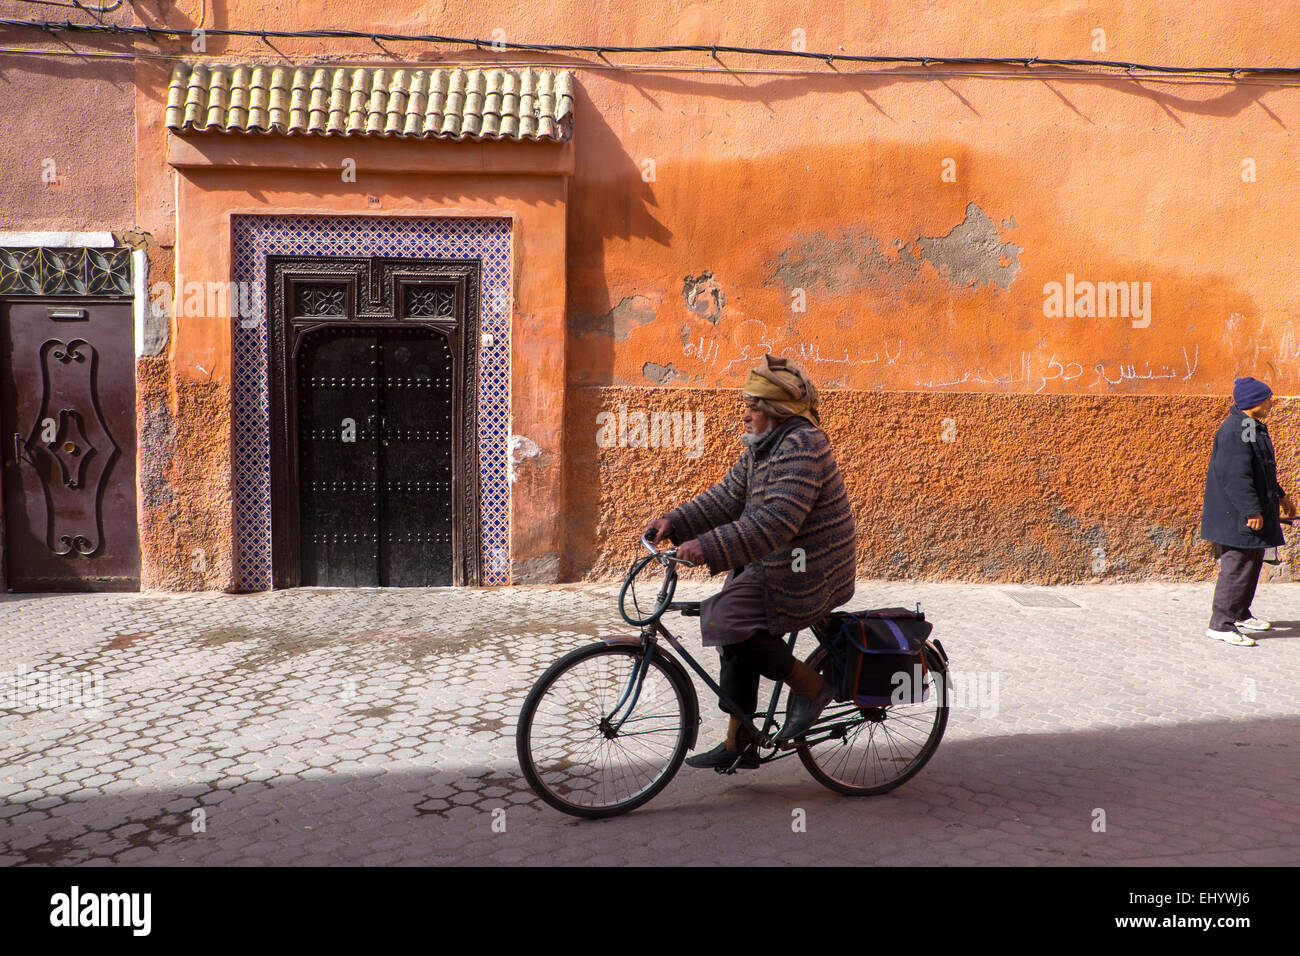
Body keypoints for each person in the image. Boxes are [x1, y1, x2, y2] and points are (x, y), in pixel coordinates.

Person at [644, 354, 856, 769]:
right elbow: (727, 496)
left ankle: (813, 687)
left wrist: (708, 546)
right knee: (730, 625)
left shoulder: (802, 446)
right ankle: (739, 740)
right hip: (773, 562)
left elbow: (776, 522)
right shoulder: (766, 445)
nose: (746, 413)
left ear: (775, 410)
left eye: (753, 405)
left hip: (810, 568)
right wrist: (676, 520)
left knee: (725, 620)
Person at [1200, 376, 1295, 646]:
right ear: (1253, 401)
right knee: (1237, 566)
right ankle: (1221, 624)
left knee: (1251, 563)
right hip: (1238, 515)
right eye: (1267, 398)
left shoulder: (1249, 427)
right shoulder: (1234, 430)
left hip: (1251, 512)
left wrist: (1280, 496)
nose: (1270, 402)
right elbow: (1237, 476)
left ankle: (1240, 613)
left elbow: (1261, 468)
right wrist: (1251, 510)